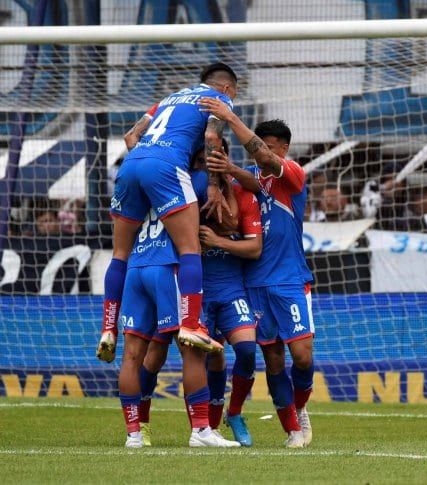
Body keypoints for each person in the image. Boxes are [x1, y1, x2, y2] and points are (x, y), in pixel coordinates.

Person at [97, 63, 238, 362]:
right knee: (190, 247)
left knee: (119, 253)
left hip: (131, 164)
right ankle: (190, 324)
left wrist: (146, 171)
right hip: (166, 165)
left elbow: (130, 136)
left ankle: (108, 329)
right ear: (227, 87)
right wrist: (213, 184)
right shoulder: (219, 98)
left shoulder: (167, 99)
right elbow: (213, 138)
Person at [203, 97, 315, 449]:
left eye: (269, 146)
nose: (262, 152)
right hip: (253, 283)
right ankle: (292, 429)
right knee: (273, 359)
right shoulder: (246, 180)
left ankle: (301, 407)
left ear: (284, 148)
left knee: (302, 356)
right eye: (259, 145)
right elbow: (241, 179)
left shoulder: (292, 174)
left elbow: (265, 161)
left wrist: (230, 117)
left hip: (290, 279)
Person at [112, 168, 231, 449]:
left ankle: (134, 435)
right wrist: (219, 180)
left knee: (132, 355)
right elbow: (227, 219)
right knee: (192, 348)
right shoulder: (189, 178)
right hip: (169, 267)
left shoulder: (134, 181)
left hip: (136, 268)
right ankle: (200, 429)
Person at [194, 143, 262, 447]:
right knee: (209, 356)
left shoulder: (243, 194)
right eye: (205, 159)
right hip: (198, 291)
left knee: (247, 350)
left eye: (217, 157)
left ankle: (234, 413)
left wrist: (218, 241)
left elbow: (254, 248)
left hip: (232, 289)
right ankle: (206, 427)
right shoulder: (189, 193)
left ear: (226, 158)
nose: (211, 164)